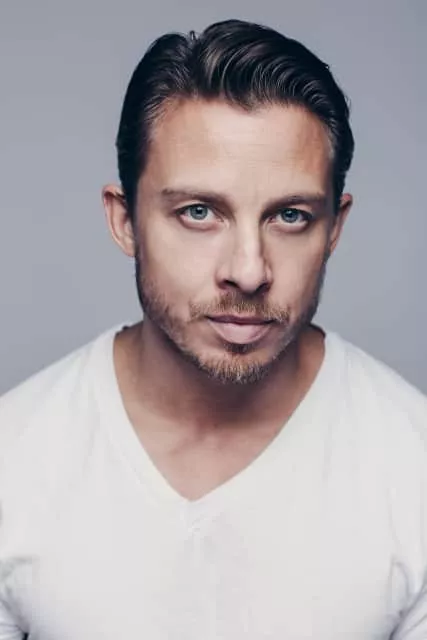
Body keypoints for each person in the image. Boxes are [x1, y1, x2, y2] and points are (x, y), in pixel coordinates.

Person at [0, 18, 426, 640]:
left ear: (334, 227)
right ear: (125, 220)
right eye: (198, 212)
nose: (248, 271)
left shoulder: (414, 468)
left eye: (290, 216)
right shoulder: (14, 459)